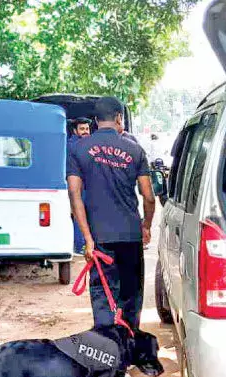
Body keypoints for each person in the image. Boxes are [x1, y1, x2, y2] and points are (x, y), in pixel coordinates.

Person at [68, 96, 155, 331]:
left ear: (96, 121)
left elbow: (74, 195)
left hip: (99, 239)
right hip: (129, 235)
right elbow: (148, 196)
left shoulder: (78, 149)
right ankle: (128, 350)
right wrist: (146, 226)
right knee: (130, 296)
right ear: (119, 117)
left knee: (103, 298)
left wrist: (87, 239)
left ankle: (107, 356)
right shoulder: (135, 149)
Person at [67, 117, 92, 256]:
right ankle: (80, 246)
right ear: (75, 130)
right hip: (78, 187)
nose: (85, 132)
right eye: (82, 129)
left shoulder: (84, 143)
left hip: (85, 186)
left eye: (87, 129)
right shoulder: (73, 145)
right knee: (79, 215)